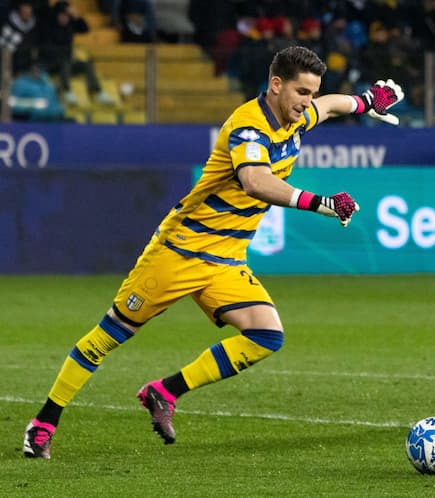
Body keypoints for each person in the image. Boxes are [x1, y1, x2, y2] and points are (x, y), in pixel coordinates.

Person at [22, 45, 404, 459]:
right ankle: (44, 422)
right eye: (300, 92)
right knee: (110, 336)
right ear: (275, 85)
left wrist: (365, 102)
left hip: (226, 259)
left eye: (311, 92)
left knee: (266, 335)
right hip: (180, 251)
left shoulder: (296, 117)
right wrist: (319, 202)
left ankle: (164, 391)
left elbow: (329, 107)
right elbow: (256, 181)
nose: (306, 102)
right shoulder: (248, 128)